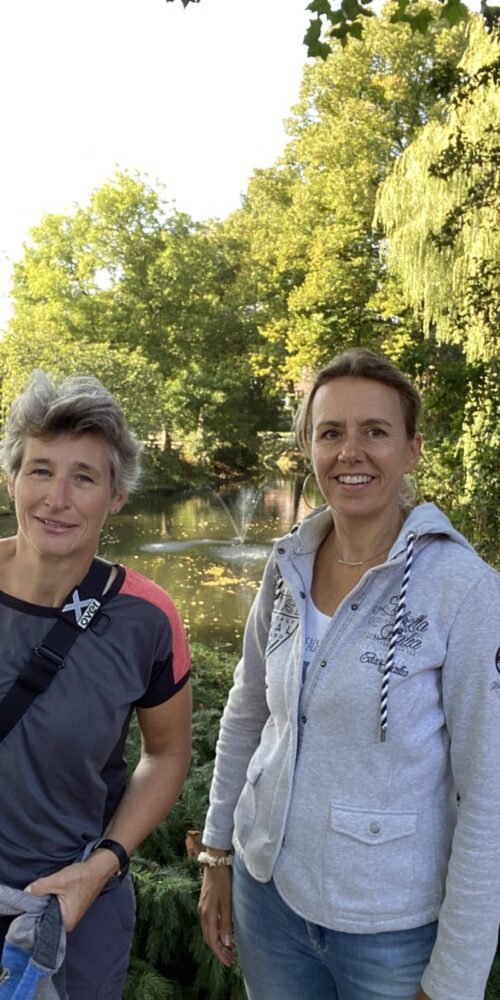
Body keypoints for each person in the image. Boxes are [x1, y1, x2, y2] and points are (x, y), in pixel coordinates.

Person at [198, 347, 500, 1000]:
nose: (350, 452)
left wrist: (455, 980)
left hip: (390, 933)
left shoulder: (464, 591)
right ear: (309, 447)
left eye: (375, 431)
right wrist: (217, 851)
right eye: (330, 432)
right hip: (267, 898)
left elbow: (489, 793)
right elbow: (248, 710)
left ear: (412, 450)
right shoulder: (287, 564)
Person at [0, 371, 192, 999]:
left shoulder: (147, 617)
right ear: (12, 478)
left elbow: (168, 753)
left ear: (116, 495)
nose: (57, 499)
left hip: (75, 910)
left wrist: (103, 864)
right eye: (40, 470)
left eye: (83, 477)